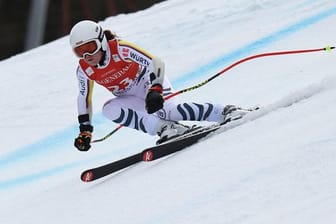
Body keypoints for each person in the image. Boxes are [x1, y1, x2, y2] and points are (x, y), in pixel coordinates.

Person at [70, 20, 250, 151]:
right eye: (79, 52)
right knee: (109, 109)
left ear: (101, 41)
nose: (87, 56)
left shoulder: (120, 48)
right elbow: (83, 97)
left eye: (90, 48)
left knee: (169, 111)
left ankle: (225, 111)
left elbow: (155, 62)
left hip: (149, 82)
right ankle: (166, 128)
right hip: (129, 96)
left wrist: (155, 89)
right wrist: (85, 130)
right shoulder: (84, 70)